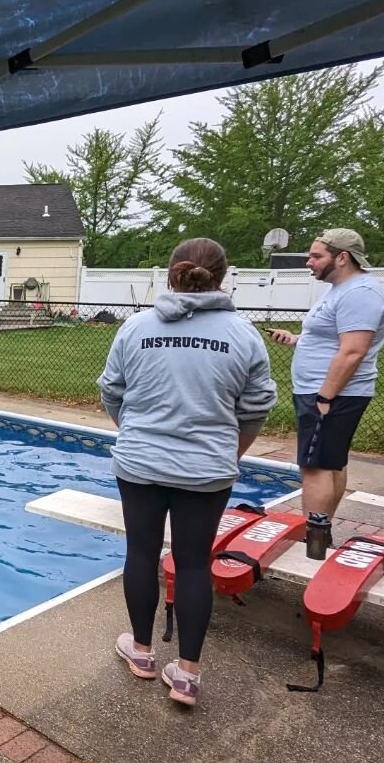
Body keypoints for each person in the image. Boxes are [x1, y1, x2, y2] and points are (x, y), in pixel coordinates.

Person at [97, 238, 277, 707]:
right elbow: (257, 406)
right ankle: (188, 676)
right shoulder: (242, 334)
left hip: (140, 463)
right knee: (195, 563)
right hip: (207, 468)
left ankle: (141, 653)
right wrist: (232, 451)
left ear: (172, 272)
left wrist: (135, 432)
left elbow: (112, 391)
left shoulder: (136, 327)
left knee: (141, 552)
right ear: (223, 275)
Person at [265, 229, 384, 559]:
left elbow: (352, 351)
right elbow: (332, 339)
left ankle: (315, 545)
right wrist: (294, 340)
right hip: (325, 391)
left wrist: (325, 397)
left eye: (316, 255)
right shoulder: (342, 290)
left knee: (315, 466)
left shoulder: (360, 294)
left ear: (342, 257)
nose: (310, 261)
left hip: (330, 395)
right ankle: (321, 535)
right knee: (331, 463)